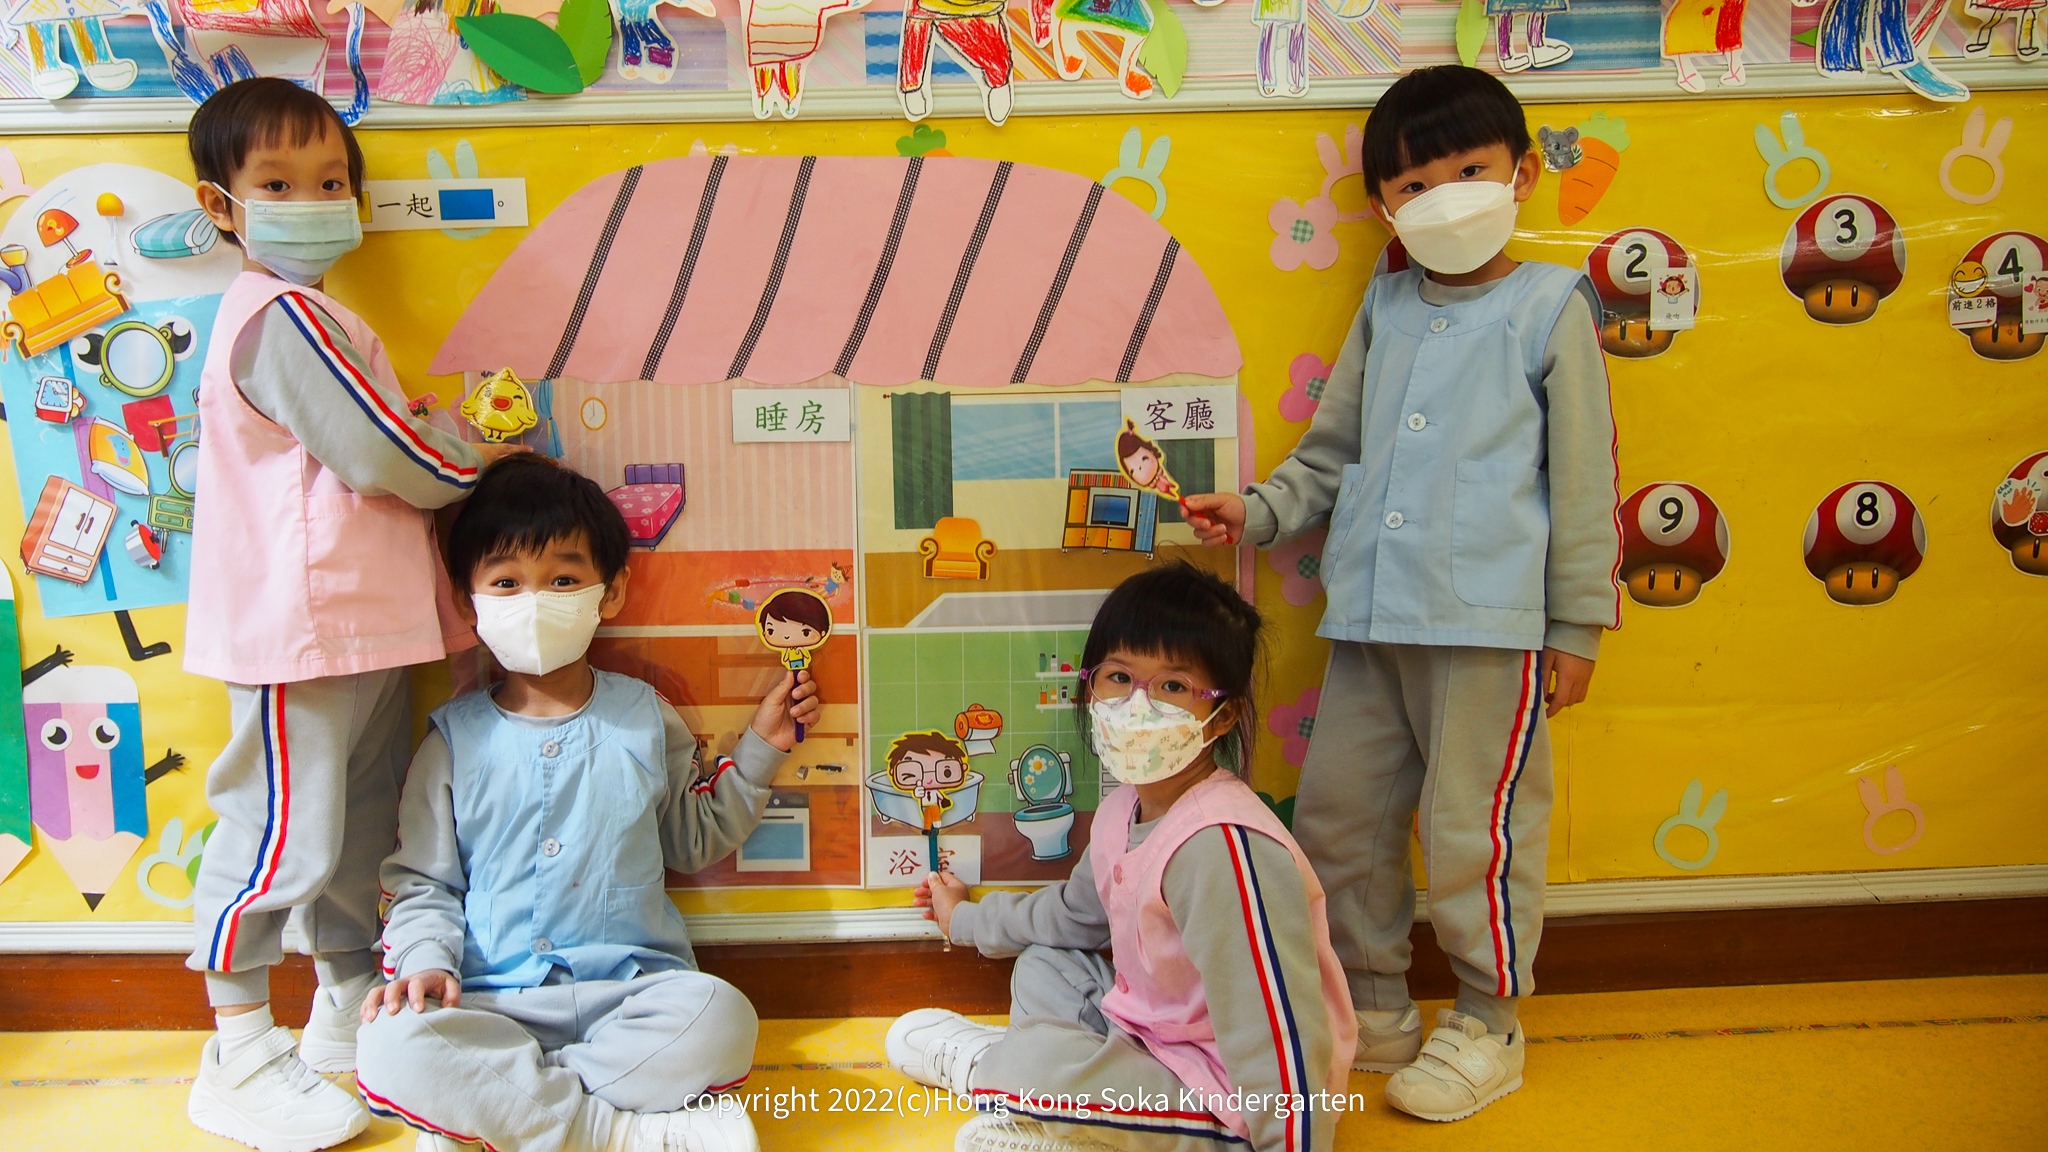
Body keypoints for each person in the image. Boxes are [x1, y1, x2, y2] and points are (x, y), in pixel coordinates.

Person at [1182, 64, 1622, 1122]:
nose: (1442, 199)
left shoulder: (1549, 304)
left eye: (1467, 172)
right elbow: (1332, 452)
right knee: (1341, 821)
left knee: (1476, 830)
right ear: (1384, 206)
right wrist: (1257, 510)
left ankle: (1488, 1022)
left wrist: (1576, 626)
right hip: (1372, 617)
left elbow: (1584, 478)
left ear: (1520, 174)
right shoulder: (1384, 306)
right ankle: (1372, 1003)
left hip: (1487, 627)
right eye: (1413, 186)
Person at [177, 77, 524, 1152]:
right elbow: (382, 453)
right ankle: (238, 1049)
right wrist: (476, 454)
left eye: (332, 182)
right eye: (278, 184)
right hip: (303, 626)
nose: (314, 202)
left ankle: (338, 1013)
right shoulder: (278, 315)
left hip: (361, 623)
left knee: (355, 831)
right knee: (277, 832)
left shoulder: (318, 314)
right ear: (222, 205)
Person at [355, 455, 820, 1152]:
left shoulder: (646, 717)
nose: (535, 601)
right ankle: (609, 1129)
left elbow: (692, 837)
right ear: (467, 600)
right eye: (506, 582)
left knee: (722, 1017)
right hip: (489, 1000)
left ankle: (520, 1113)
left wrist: (762, 747)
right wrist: (425, 961)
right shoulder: (450, 741)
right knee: (387, 1045)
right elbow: (424, 884)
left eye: (564, 580)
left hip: (632, 994)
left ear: (611, 590)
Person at [885, 562, 1355, 1152]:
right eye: (1119, 677)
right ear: (1091, 686)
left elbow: (1278, 1030)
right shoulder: (1122, 809)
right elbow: (1072, 916)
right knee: (1047, 964)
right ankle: (1035, 1090)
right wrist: (965, 919)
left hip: (1225, 1096)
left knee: (1036, 1070)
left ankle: (995, 1073)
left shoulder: (1222, 846)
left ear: (1225, 714)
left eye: (1173, 687)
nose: (1138, 706)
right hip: (1151, 1035)